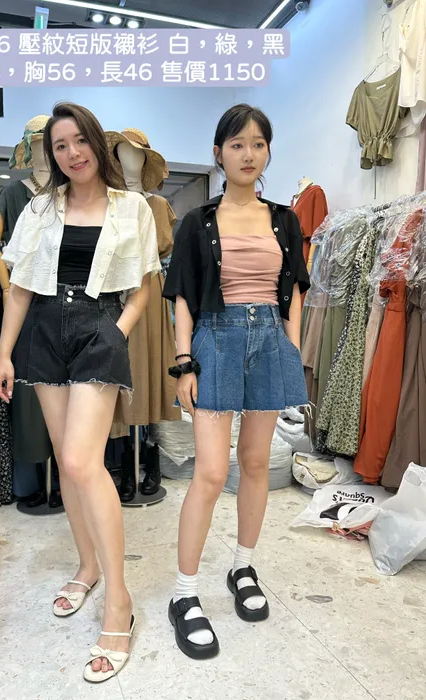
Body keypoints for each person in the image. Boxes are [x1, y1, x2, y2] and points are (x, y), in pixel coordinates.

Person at [0, 102, 161, 682]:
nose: (71, 153)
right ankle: (87, 566)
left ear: (96, 143)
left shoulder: (132, 207)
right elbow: (19, 286)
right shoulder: (39, 207)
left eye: (79, 140)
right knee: (67, 466)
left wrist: (117, 332)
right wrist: (4, 354)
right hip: (44, 331)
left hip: (99, 328)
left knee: (83, 462)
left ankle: (119, 600)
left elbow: (143, 288)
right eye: (60, 146)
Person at [163, 104, 309, 659]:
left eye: (258, 144)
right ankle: (184, 593)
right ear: (218, 153)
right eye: (237, 144)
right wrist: (183, 362)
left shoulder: (285, 220)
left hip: (270, 339)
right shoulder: (197, 221)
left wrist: (291, 346)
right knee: (209, 471)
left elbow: (294, 288)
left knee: (254, 463)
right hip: (216, 341)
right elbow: (181, 295)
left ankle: (243, 567)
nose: (249, 154)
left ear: (268, 151)